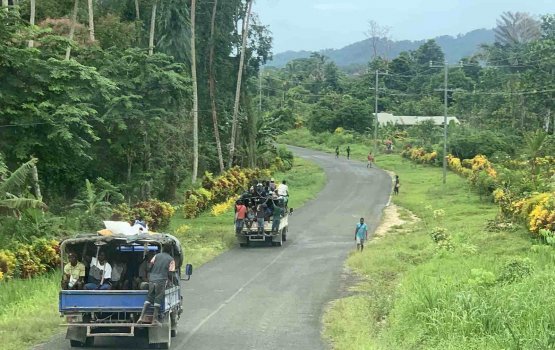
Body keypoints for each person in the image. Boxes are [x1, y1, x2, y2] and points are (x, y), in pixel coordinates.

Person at [137, 245, 176, 326]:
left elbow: (150, 266)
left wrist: (153, 273)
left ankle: (141, 317)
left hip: (152, 280)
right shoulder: (171, 260)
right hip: (161, 281)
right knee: (158, 299)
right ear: (169, 251)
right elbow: (171, 273)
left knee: (149, 298)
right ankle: (154, 319)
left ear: (163, 249)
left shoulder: (156, 256)